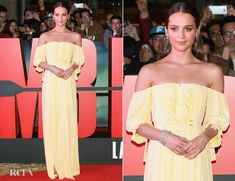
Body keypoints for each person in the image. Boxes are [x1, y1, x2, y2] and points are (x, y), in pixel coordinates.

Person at [126, 2, 230, 181]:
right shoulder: (149, 71)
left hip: (196, 152)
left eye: (188, 28)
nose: (181, 35)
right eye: (174, 28)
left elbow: (218, 119)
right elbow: (135, 122)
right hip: (161, 152)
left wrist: (204, 137)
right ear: (166, 31)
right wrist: (165, 137)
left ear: (197, 31)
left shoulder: (212, 72)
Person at [33, 1, 84, 180]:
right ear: (52, 16)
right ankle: (54, 164)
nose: (60, 18)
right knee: (52, 119)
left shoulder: (75, 36)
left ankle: (68, 164)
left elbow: (79, 59)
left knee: (67, 119)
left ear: (68, 16)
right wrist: (53, 69)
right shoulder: (45, 36)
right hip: (51, 80)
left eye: (63, 15)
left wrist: (71, 69)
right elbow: (38, 60)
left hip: (67, 81)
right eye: (57, 15)